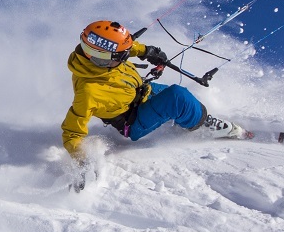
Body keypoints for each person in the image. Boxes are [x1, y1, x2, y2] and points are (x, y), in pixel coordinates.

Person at [61, 20, 249, 165]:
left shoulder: (96, 56)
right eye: (123, 56)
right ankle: (204, 126)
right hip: (133, 121)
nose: (127, 55)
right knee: (178, 97)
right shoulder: (88, 92)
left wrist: (146, 51)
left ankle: (186, 119)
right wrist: (82, 160)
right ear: (105, 57)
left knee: (177, 99)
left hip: (140, 92)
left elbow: (126, 47)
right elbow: (72, 133)